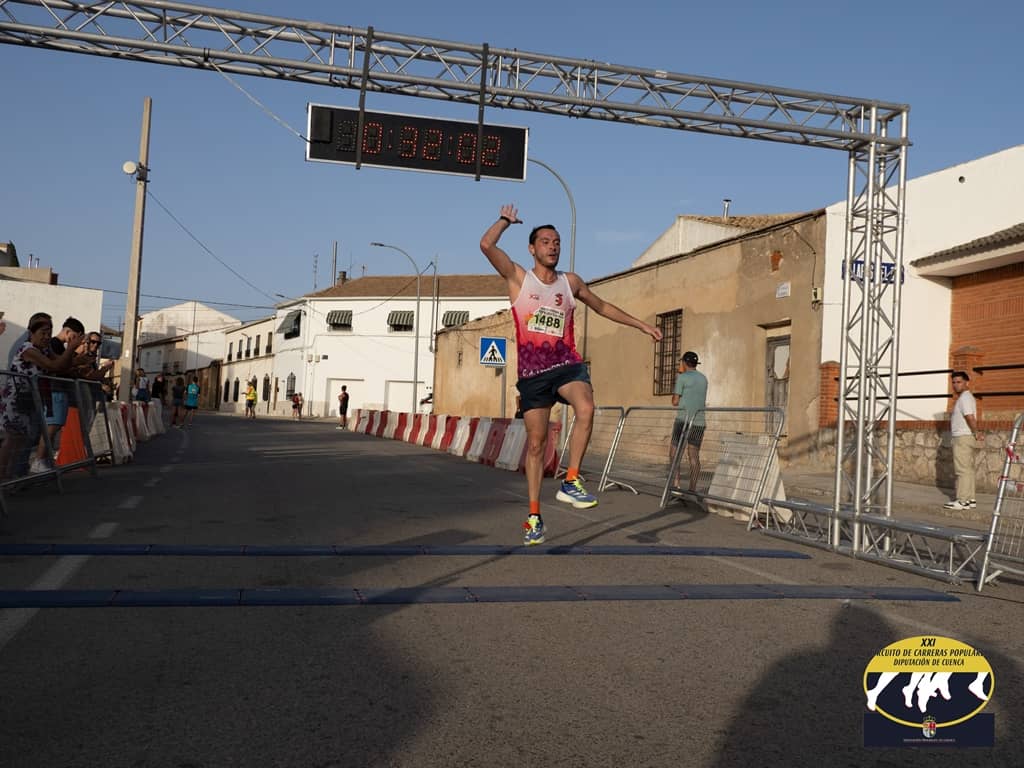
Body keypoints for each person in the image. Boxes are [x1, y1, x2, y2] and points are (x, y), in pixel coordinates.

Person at [480, 203, 662, 545]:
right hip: (533, 373)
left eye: (557, 242)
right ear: (532, 249)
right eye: (545, 242)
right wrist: (505, 221)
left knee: (587, 408)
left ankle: (571, 479)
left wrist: (641, 325)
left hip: (566, 364)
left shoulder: (570, 282)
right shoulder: (519, 278)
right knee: (536, 445)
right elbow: (486, 245)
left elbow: (602, 306)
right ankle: (534, 517)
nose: (553, 246)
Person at [0, 313, 81, 477]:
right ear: (32, 332)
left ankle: (10, 476)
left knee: (21, 441)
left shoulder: (44, 349)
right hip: (15, 400)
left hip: (30, 400)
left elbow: (61, 363)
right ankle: (2, 476)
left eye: (49, 333)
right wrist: (71, 349)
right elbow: (53, 366)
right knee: (12, 440)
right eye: (43, 333)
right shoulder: (28, 349)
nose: (46, 337)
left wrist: (77, 358)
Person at [671, 351, 709, 492]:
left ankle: (676, 484)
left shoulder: (682, 377)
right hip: (698, 421)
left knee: (674, 452)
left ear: (684, 363)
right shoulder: (704, 379)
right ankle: (692, 489)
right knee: (693, 455)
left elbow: (675, 402)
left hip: (683, 420)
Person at [945, 371, 983, 511]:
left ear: (967, 382)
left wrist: (976, 432)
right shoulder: (966, 397)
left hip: (962, 437)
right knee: (968, 469)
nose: (956, 385)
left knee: (962, 470)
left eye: (959, 382)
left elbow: (969, 417)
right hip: (966, 436)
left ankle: (962, 500)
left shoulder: (965, 398)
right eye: (954, 382)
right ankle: (970, 499)